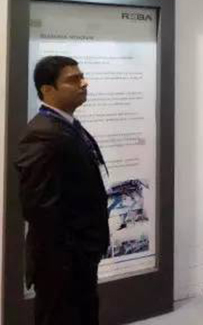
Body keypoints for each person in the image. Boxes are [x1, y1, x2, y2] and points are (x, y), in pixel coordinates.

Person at [16, 56, 109, 325]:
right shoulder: (42, 134)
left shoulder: (65, 125)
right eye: (73, 80)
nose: (84, 83)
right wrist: (73, 256)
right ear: (47, 90)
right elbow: (39, 208)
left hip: (78, 260)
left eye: (82, 76)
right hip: (61, 265)